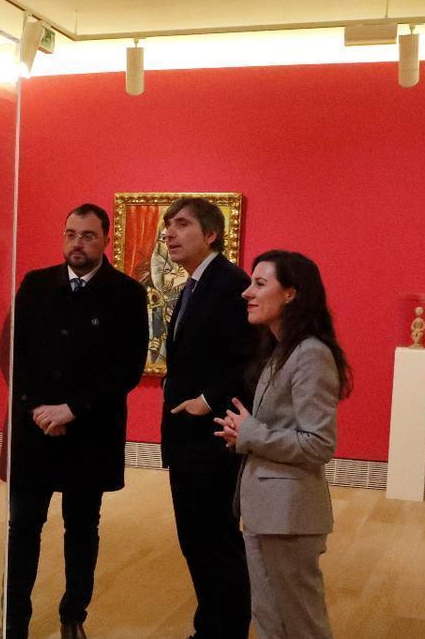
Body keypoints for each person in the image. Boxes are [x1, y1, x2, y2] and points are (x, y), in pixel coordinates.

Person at [5, 204, 147, 639]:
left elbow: (127, 369)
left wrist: (73, 410)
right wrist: (37, 408)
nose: (76, 243)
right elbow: (17, 354)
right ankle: (14, 624)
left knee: (82, 528)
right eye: (70, 234)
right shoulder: (35, 284)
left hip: (91, 433)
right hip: (35, 430)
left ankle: (73, 616)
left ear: (105, 239)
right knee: (23, 527)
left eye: (87, 235)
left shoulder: (126, 293)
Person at [215, 250, 351, 639]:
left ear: (291, 294)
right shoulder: (280, 351)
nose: (247, 293)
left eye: (260, 284)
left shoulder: (310, 355)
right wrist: (244, 435)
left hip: (289, 517)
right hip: (267, 512)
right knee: (271, 621)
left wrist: (251, 434)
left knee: (302, 625)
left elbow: (318, 443)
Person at [160, 197, 254, 639]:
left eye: (181, 225)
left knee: (216, 543)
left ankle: (227, 631)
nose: (169, 233)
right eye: (167, 226)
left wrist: (206, 399)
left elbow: (248, 361)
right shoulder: (194, 284)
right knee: (194, 542)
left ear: (210, 234)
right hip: (187, 439)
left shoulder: (230, 283)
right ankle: (208, 627)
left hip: (211, 438)